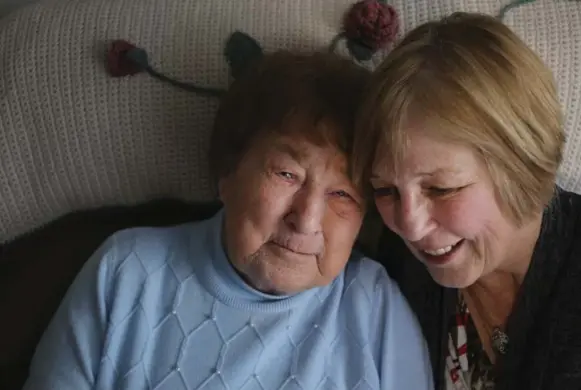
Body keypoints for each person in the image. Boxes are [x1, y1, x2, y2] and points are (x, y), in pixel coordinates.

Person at [23, 50, 433, 390]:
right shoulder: (126, 271)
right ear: (228, 173)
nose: (306, 220)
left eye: (342, 194)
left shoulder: (374, 307)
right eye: (287, 174)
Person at [351, 12, 581, 390]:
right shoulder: (396, 268)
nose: (409, 225)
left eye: (442, 189)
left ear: (520, 161)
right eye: (386, 191)